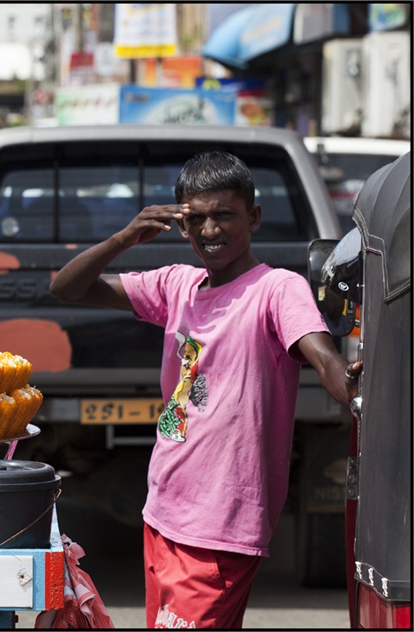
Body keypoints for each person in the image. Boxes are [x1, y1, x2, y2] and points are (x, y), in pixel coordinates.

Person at [48, 151, 361, 629]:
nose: (210, 230)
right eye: (195, 219)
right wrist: (124, 237)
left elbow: (322, 356)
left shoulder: (277, 290)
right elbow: (65, 288)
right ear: (180, 225)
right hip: (163, 510)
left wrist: (351, 385)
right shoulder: (177, 285)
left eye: (224, 215)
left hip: (221, 524)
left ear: (253, 217)